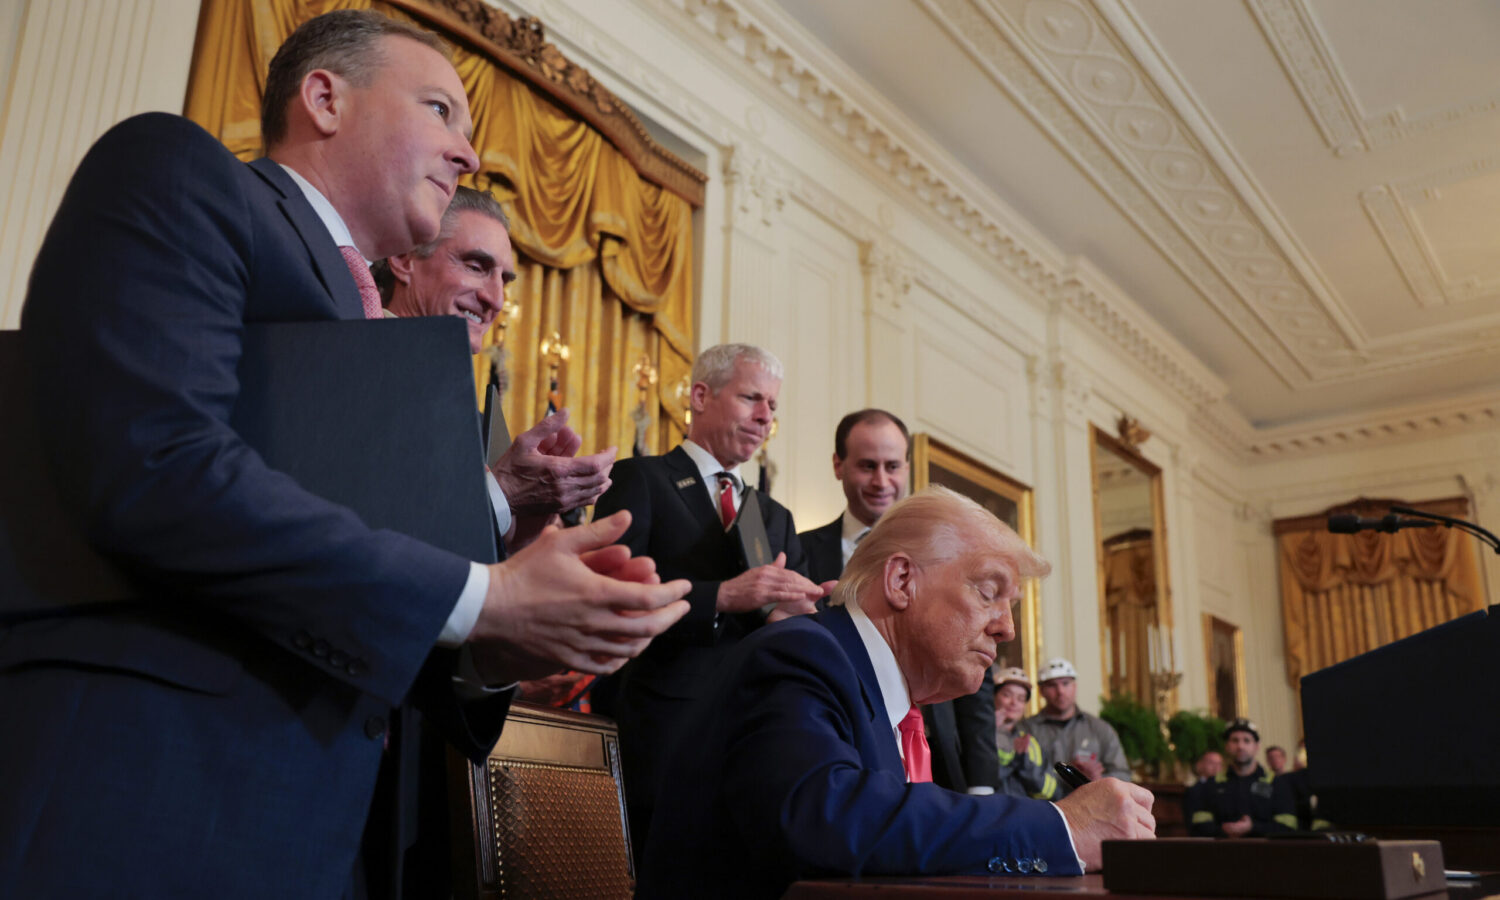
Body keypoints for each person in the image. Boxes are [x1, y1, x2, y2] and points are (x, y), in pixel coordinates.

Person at [2, 11, 689, 898]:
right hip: (145, 797)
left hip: (335, 835)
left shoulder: (394, 344)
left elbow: (347, 546)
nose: (469, 157)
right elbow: (155, 465)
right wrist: (484, 598)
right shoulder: (182, 174)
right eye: (442, 111)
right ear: (324, 98)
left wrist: (494, 654)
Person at [636, 487, 1157, 899]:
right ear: (902, 580)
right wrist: (1060, 825)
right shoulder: (800, 655)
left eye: (1012, 606)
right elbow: (825, 822)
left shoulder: (885, 697)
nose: (1007, 629)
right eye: (988, 592)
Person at [590, 342, 832, 859]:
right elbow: (610, 597)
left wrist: (812, 612)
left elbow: (788, 627)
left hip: (756, 736)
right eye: (752, 399)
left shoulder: (776, 517)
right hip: (662, 731)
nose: (766, 417)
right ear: (701, 395)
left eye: (773, 407)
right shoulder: (643, 480)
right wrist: (722, 596)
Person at [374, 185, 614, 552]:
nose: (496, 300)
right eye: (475, 266)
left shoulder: (473, 417)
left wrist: (527, 523)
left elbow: (476, 556)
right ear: (404, 258)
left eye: (504, 280)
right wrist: (504, 491)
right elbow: (375, 532)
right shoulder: (357, 366)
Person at [799, 408, 999, 794]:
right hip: (837, 750)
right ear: (839, 466)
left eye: (892, 466)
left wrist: (982, 782)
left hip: (935, 754)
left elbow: (978, 671)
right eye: (867, 466)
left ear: (907, 468)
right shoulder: (800, 551)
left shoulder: (949, 558)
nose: (881, 481)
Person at [1023, 658, 1132, 792]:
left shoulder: (1100, 729)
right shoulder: (1026, 729)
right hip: (1044, 809)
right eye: (1052, 685)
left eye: (1066, 683)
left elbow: (1124, 775)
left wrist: (1098, 780)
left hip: (1090, 809)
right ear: (1041, 691)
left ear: (1075, 686)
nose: (1060, 691)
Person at [1186, 718, 1298, 838]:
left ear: (1256, 746)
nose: (1240, 746)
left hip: (1266, 853)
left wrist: (1253, 827)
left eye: (1246, 740)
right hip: (1222, 852)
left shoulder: (1276, 783)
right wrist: (1223, 830)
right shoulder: (1211, 785)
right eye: (1235, 740)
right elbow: (1198, 826)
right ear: (1227, 746)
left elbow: (1288, 827)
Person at [993, 666, 1060, 799]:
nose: (1014, 703)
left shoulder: (1030, 743)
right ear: (993, 696)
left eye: (1021, 698)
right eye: (1007, 695)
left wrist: (1023, 762)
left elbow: (1049, 791)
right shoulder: (979, 735)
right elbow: (980, 780)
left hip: (1022, 816)